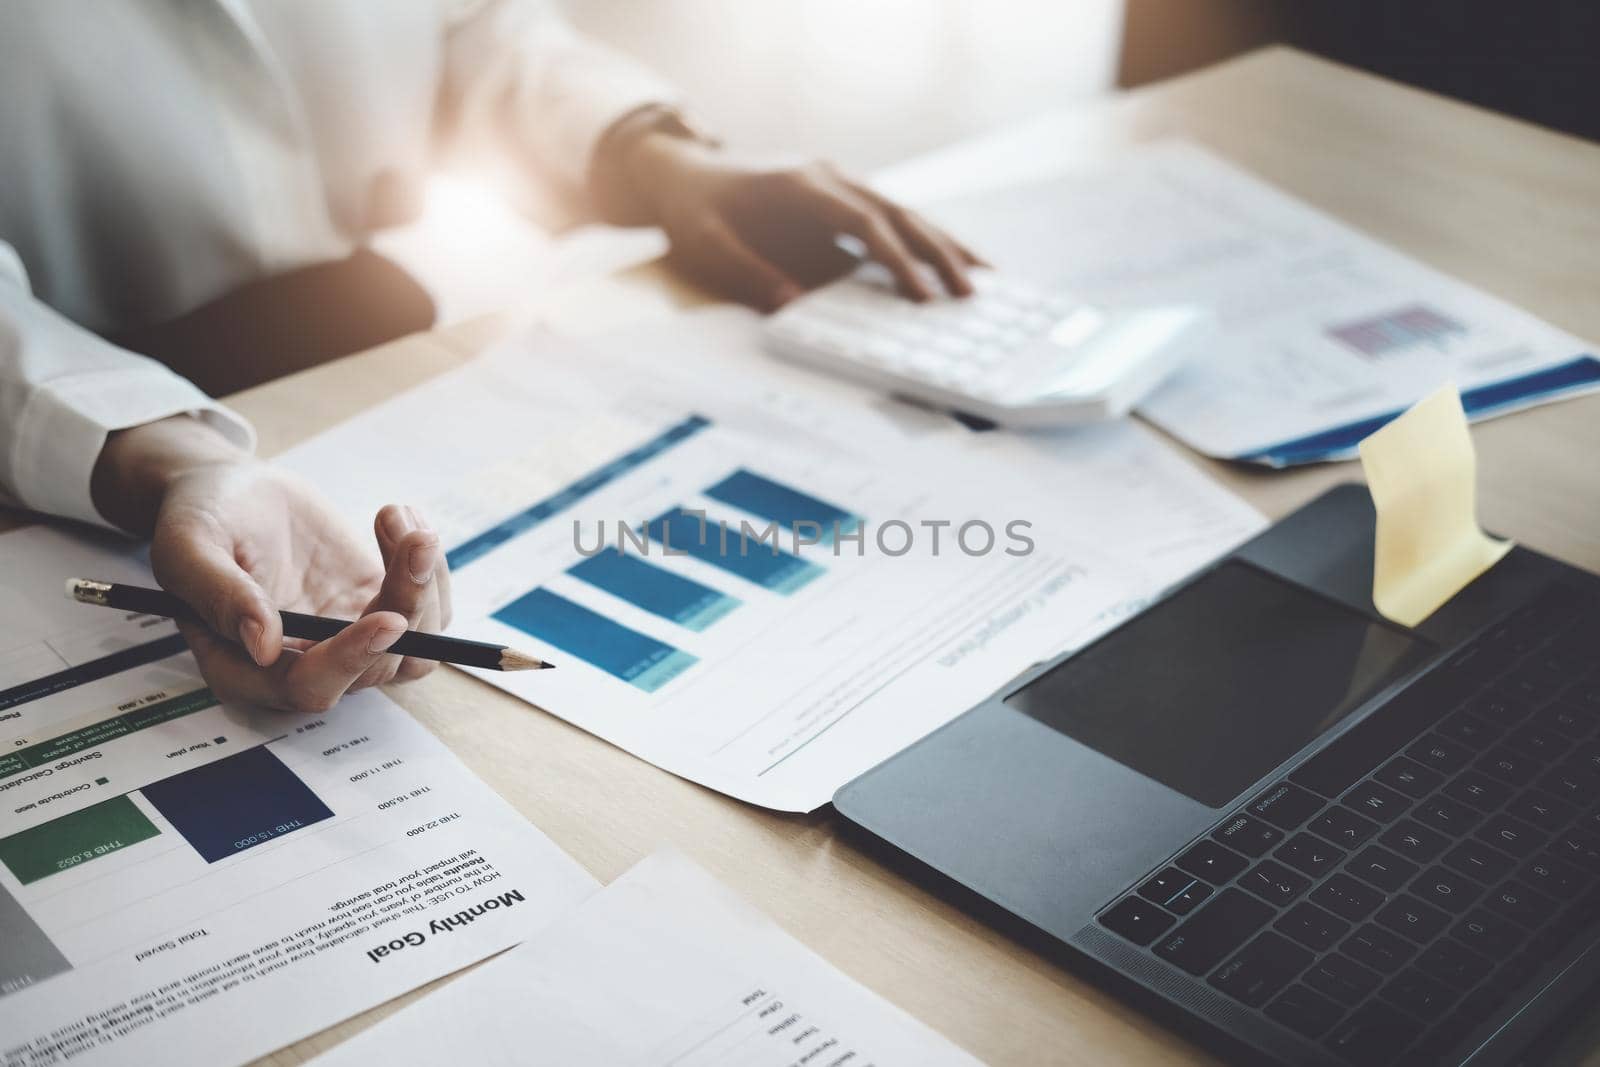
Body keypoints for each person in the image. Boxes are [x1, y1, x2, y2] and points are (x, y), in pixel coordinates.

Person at [0, 2, 976, 714]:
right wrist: (171, 455)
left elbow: (465, 27)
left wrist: (651, 156)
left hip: (369, 337)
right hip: (70, 415)